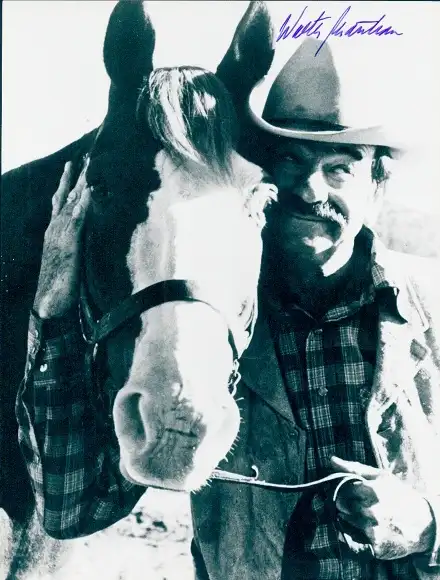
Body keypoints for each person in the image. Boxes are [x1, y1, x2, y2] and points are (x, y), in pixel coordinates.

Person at [16, 37, 440, 580]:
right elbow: (74, 506)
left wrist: (427, 527)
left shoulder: (429, 306)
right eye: (288, 161)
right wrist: (52, 312)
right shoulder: (208, 326)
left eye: (340, 168)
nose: (310, 189)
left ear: (377, 188)